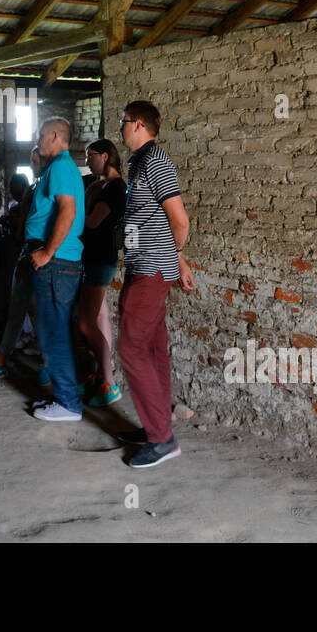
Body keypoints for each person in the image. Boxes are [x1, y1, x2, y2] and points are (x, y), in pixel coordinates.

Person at [116, 100, 196, 468]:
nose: (121, 127)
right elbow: (153, 220)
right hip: (147, 267)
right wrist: (176, 259)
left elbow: (178, 219)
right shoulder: (140, 164)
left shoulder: (155, 161)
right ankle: (156, 427)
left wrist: (171, 254)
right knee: (149, 349)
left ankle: (162, 439)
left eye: (124, 121)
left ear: (139, 125)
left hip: (150, 271)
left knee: (132, 350)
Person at [23, 118, 85, 422]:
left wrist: (48, 252)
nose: (37, 141)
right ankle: (67, 397)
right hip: (59, 262)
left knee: (54, 332)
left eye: (41, 136)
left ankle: (68, 403)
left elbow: (68, 210)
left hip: (56, 263)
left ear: (56, 136)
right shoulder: (59, 167)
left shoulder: (60, 165)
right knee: (55, 330)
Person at [0, 148, 42, 378]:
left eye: (38, 160)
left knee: (37, 310)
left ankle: (46, 362)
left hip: (40, 254)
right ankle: (3, 357)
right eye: (32, 161)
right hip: (24, 252)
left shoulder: (46, 188)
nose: (35, 164)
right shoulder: (34, 189)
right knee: (18, 307)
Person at [78, 139, 127, 408]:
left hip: (99, 260)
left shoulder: (113, 188)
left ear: (105, 156)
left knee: (86, 323)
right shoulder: (106, 186)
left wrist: (83, 202)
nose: (87, 161)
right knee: (100, 316)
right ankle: (103, 375)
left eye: (91, 156)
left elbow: (90, 222)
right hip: (99, 258)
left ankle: (109, 382)